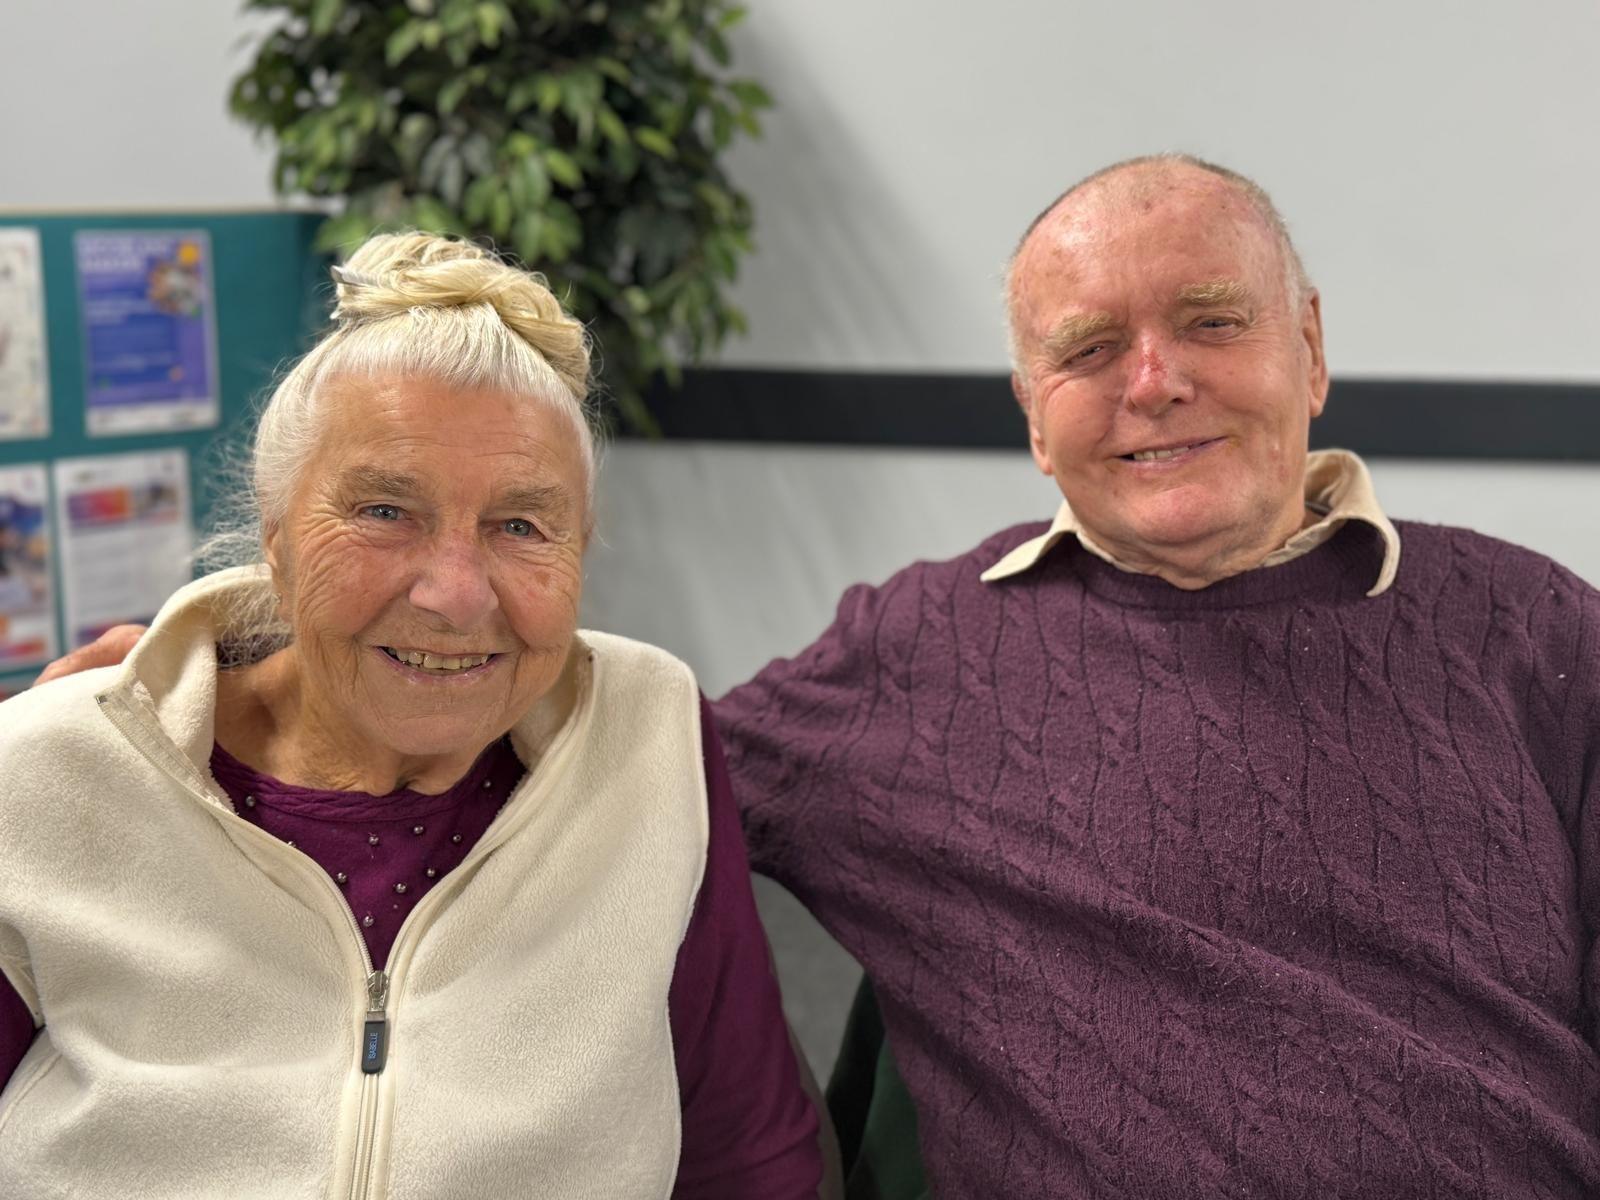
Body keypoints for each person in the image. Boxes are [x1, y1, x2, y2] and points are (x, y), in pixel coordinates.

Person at [39, 156, 1600, 1198]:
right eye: (1087, 347)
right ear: (1029, 406)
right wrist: (216, 678)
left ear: (1310, 348)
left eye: (1211, 323)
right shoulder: (918, 658)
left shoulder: (1535, 632)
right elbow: (520, 721)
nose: (1154, 383)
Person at [0, 234, 827, 1198]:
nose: (455, 593)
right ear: (277, 541)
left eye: (521, 526)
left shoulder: (650, 739)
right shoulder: (55, 776)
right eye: (386, 511)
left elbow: (746, 1152)